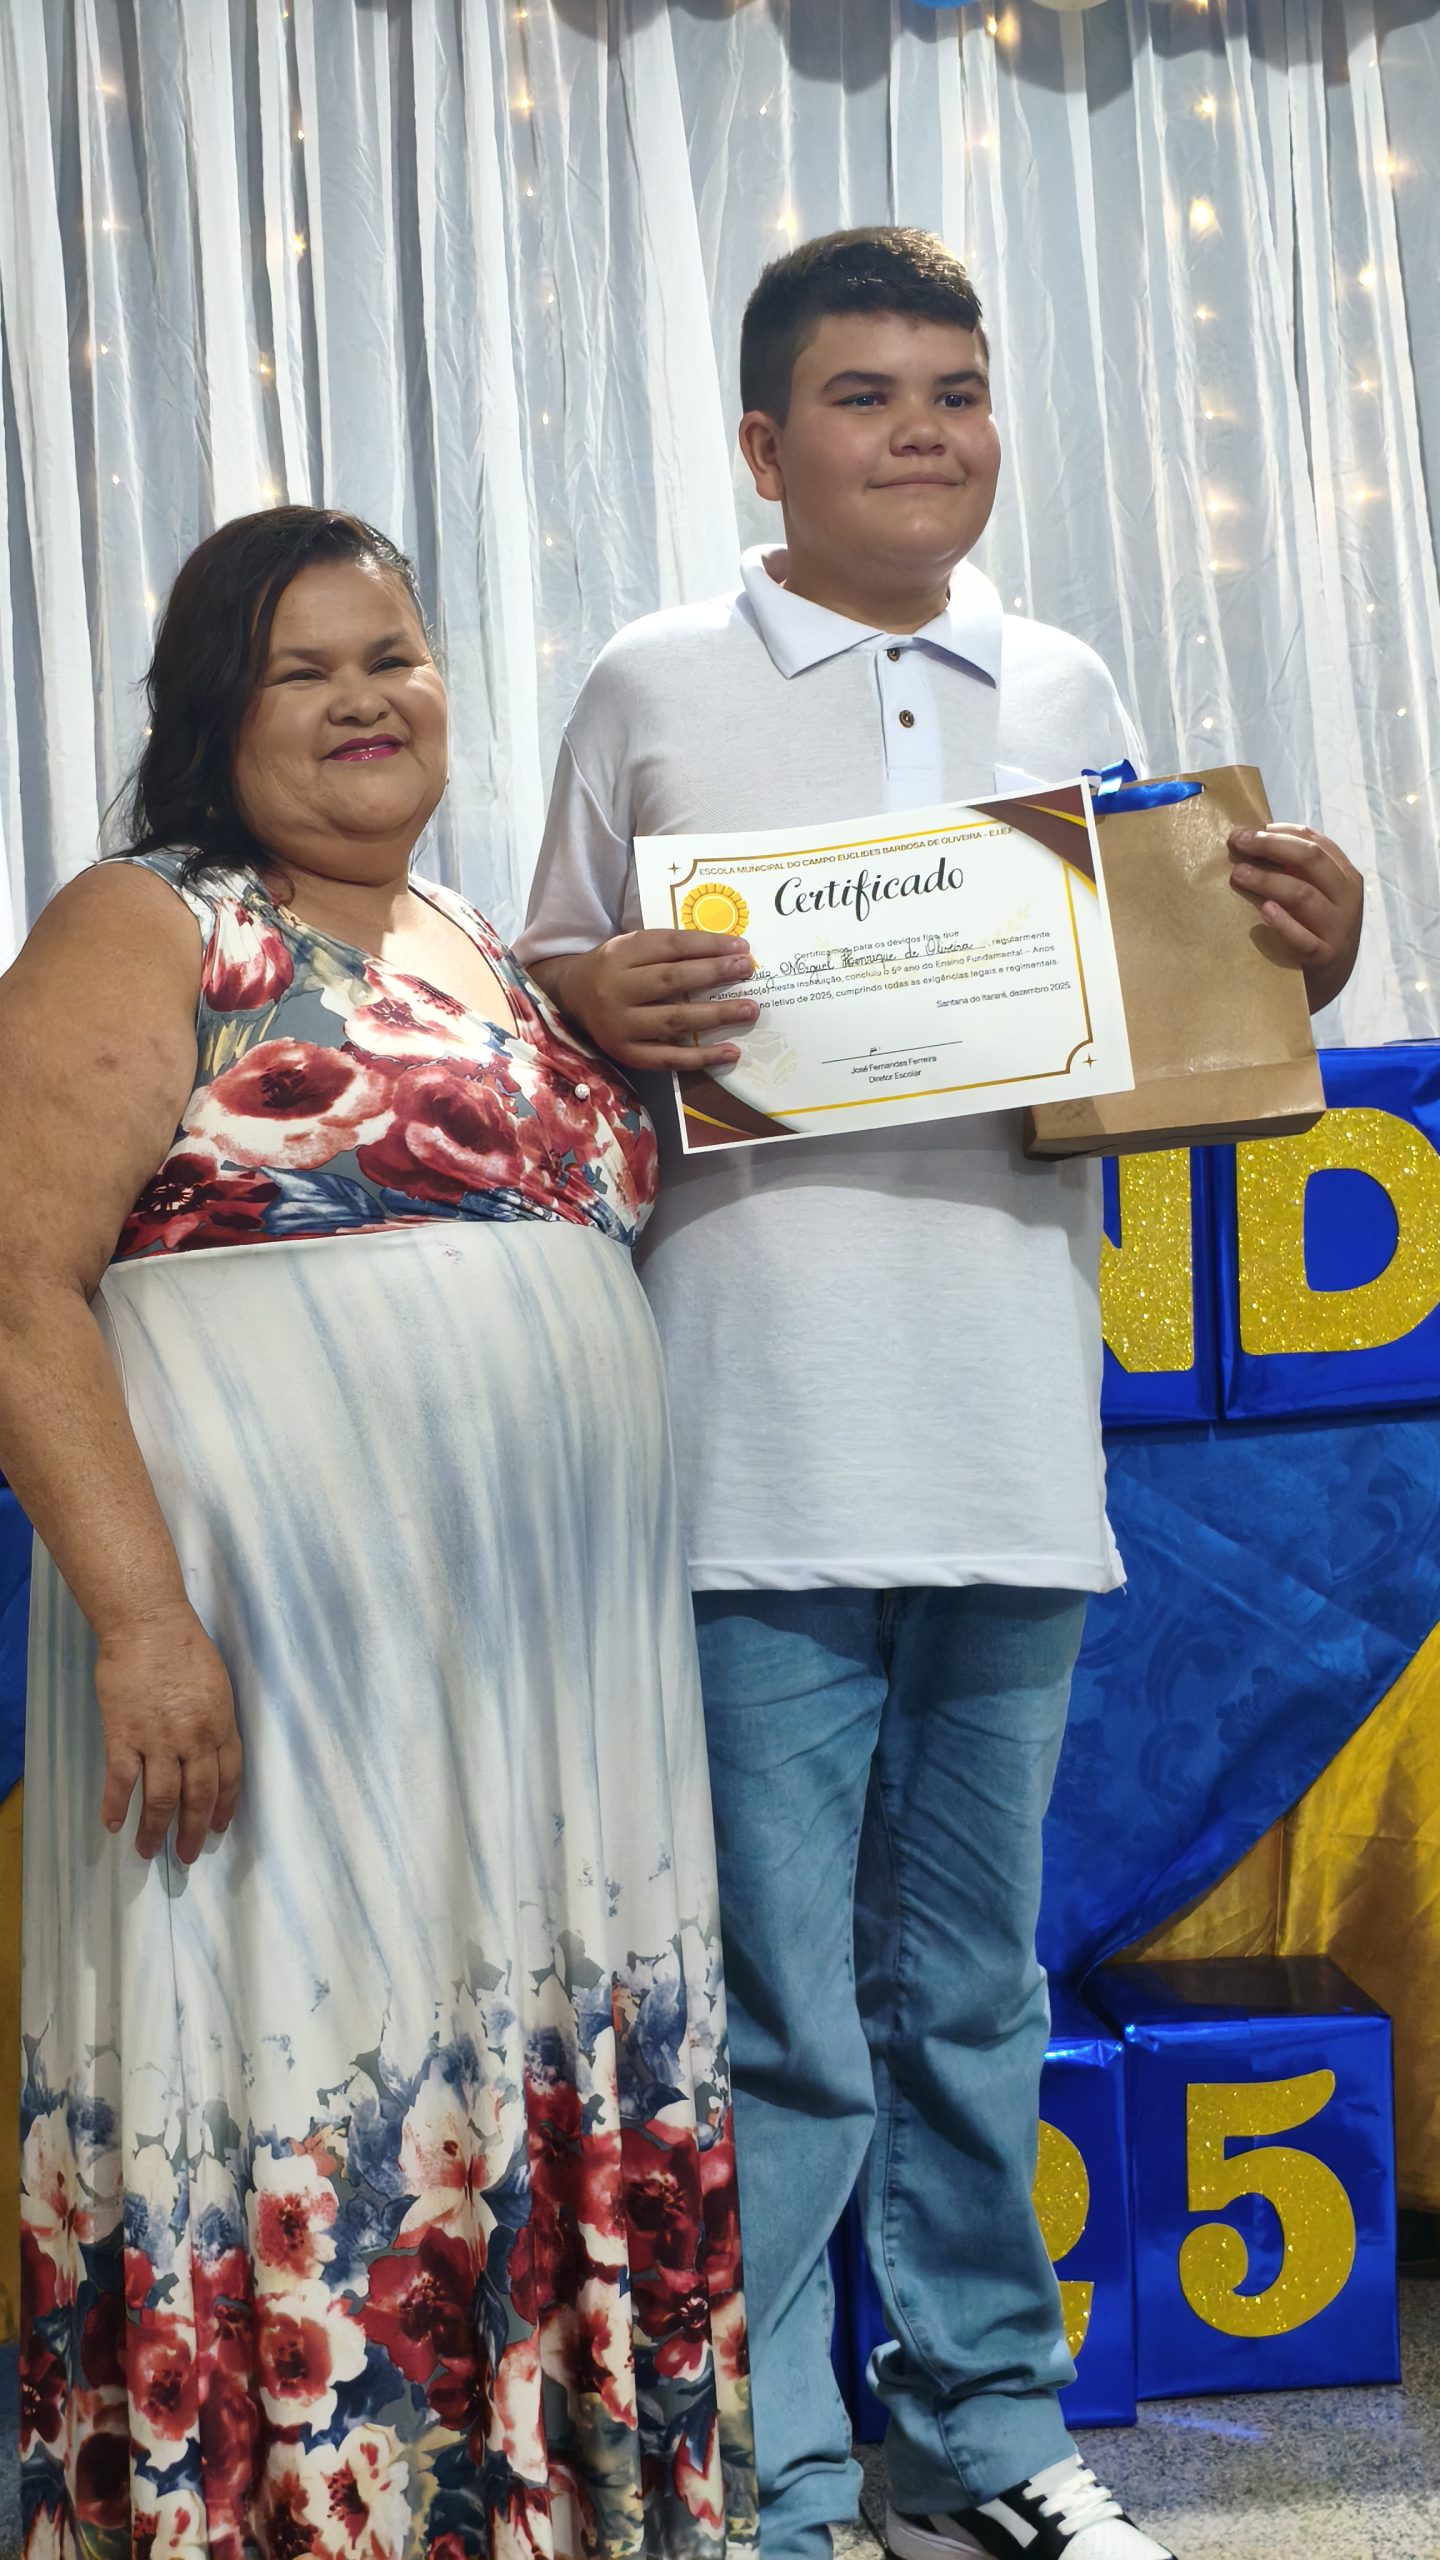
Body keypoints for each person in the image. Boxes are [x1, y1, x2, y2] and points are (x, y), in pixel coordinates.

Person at [515, 230, 1364, 2560]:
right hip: (748, 1449)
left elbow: (1161, 1034)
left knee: (976, 1989)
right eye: (866, 393)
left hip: (1004, 1433)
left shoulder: (1063, 680)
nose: (923, 431)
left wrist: (1301, 956)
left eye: (958, 391)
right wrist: (593, 996)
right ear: (762, 444)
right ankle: (778, 2470)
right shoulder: (648, 680)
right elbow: (532, 1015)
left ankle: (982, 2434)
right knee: (780, 2014)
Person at [3, 507, 756, 2560]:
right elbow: (11, 1283)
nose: (365, 700)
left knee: (514, 2087)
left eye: (393, 657)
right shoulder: (148, 921)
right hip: (274, 1682)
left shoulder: (495, 954)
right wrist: (144, 1622)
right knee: (301, 2063)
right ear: (214, 712)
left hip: (540, 1711)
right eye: (305, 669)